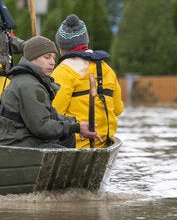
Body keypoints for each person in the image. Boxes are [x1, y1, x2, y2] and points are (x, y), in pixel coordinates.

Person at [0, 36, 101, 148]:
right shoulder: (29, 85)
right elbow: (41, 127)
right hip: (14, 143)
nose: (52, 62)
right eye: (47, 57)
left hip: (25, 139)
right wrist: (75, 128)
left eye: (54, 58)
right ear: (32, 58)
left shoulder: (34, 80)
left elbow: (50, 115)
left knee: (68, 137)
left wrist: (75, 123)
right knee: (60, 149)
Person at [51, 14, 124, 148]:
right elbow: (118, 109)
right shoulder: (107, 69)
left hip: (74, 144)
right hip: (104, 142)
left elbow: (54, 113)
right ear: (86, 42)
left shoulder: (62, 71)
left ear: (61, 47)